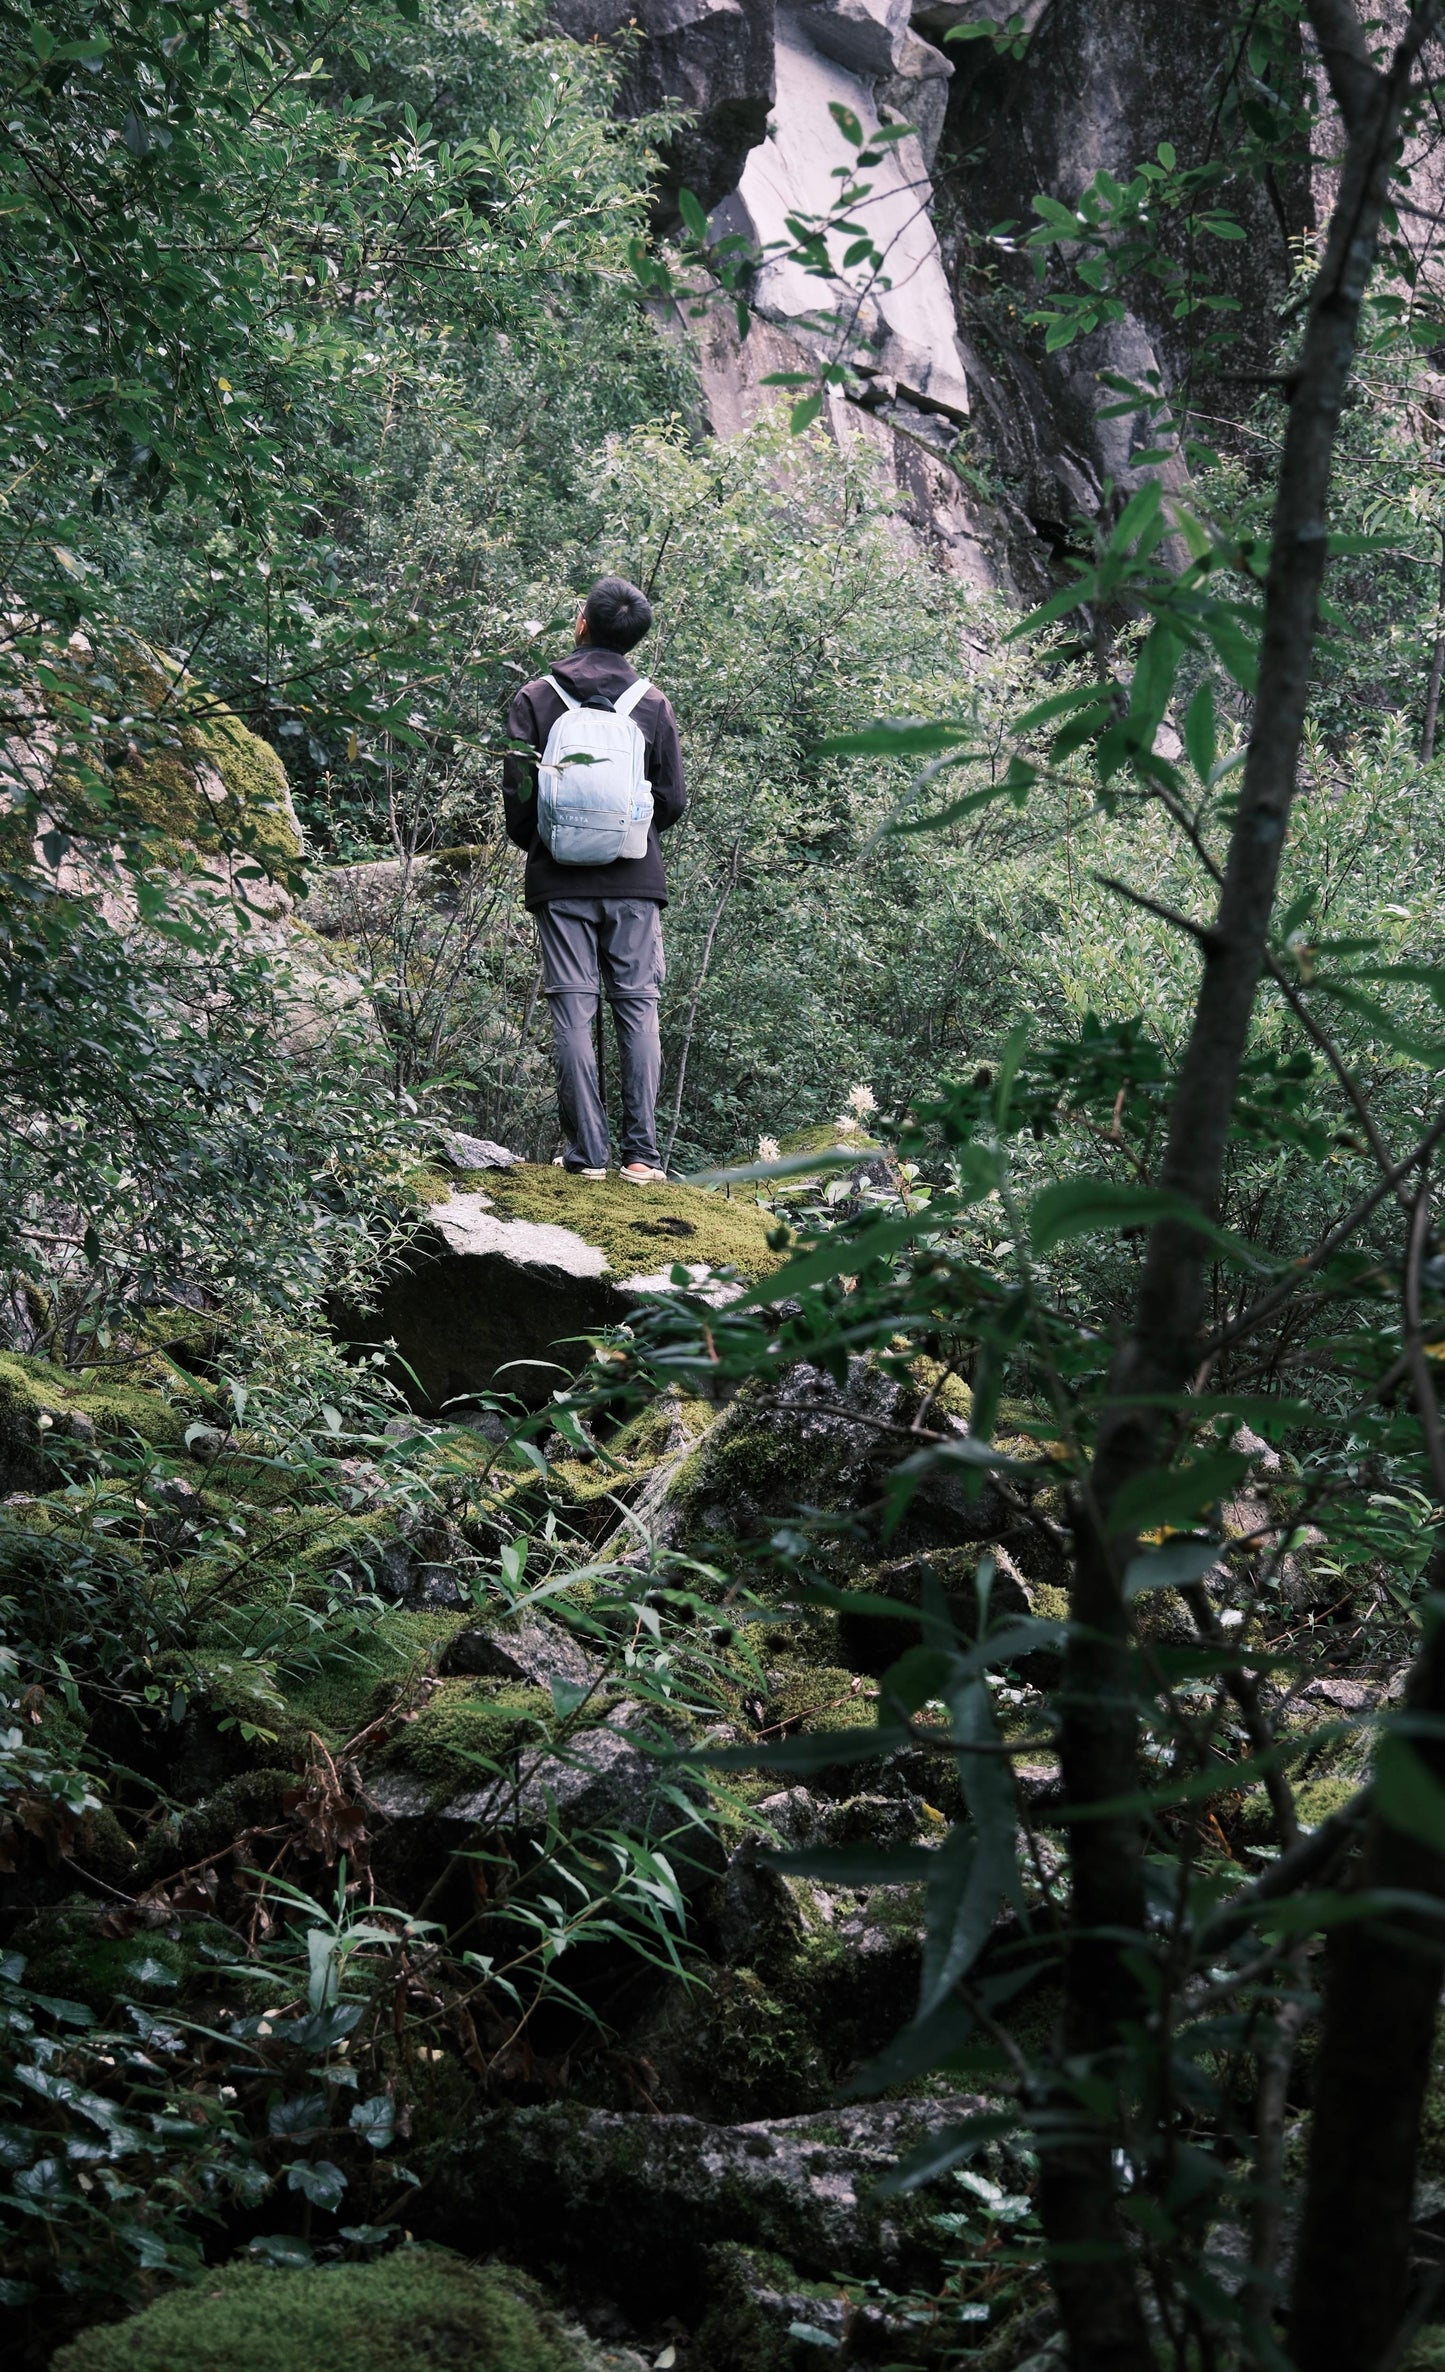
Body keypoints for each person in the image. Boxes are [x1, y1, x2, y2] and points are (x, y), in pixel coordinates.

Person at [503, 576, 687, 1183]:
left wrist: (552, 842)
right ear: (634, 639)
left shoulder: (536, 697)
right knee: (638, 1007)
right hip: (635, 879)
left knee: (573, 1009)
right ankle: (642, 1157)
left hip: (559, 881)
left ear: (581, 622)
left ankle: (587, 1156)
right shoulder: (652, 704)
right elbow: (672, 801)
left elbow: (518, 803)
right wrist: (626, 834)